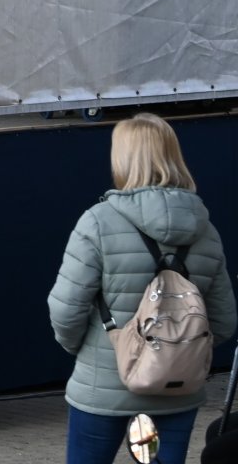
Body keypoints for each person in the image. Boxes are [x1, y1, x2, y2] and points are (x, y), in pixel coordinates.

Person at [48, 113, 237, 464]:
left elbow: (66, 308)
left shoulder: (98, 222)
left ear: (121, 158)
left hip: (103, 387)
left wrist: (91, 351)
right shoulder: (205, 229)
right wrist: (180, 350)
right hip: (176, 388)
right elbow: (223, 321)